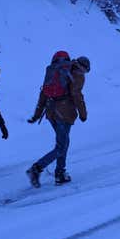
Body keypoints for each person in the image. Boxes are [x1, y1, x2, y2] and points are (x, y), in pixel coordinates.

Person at [26, 52, 90, 187]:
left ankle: (60, 174)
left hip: (51, 112)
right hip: (64, 113)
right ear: (84, 67)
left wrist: (37, 114)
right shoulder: (77, 73)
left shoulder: (55, 72)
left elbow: (43, 94)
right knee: (61, 146)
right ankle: (36, 168)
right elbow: (76, 94)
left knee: (63, 143)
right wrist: (83, 113)